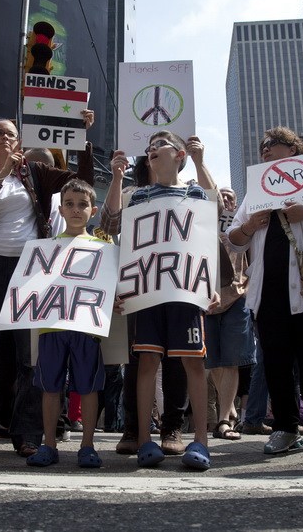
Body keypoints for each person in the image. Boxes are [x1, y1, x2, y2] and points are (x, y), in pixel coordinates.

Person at [0, 113, 94, 458]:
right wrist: (1, 175)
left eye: (12, 134)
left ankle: (28, 434)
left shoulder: (35, 174)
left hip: (30, 270)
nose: (6, 138)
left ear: (19, 143)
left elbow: (83, 181)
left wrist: (83, 140)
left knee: (29, 357)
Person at [224, 127, 303, 455]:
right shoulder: (256, 192)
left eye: (272, 144)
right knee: (276, 359)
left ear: (293, 149)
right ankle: (285, 428)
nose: (265, 150)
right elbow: (233, 239)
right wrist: (251, 225)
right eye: (262, 147)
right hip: (268, 288)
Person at [107, 131, 218, 470]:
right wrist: (115, 177)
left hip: (185, 290)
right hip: (148, 291)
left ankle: (200, 439)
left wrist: (208, 282)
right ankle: (143, 439)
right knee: (146, 363)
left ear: (180, 154)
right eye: (149, 148)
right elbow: (114, 225)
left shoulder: (193, 191)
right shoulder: (139, 196)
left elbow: (211, 220)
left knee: (193, 364)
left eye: (160, 146)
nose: (152, 151)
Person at [25, 179, 107, 468]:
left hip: (87, 327)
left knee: (88, 388)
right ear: (60, 208)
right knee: (50, 388)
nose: (75, 209)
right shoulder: (46, 248)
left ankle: (87, 445)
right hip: (52, 326)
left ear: (93, 210)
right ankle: (49, 444)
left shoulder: (103, 247)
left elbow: (110, 285)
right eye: (69, 204)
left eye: (82, 204)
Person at [205, 187, 257, 441]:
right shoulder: (201, 222)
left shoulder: (244, 225)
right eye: (220, 195)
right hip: (206, 297)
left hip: (237, 295)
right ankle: (229, 406)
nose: (225, 199)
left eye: (229, 197)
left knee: (232, 358)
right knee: (214, 359)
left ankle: (225, 418)